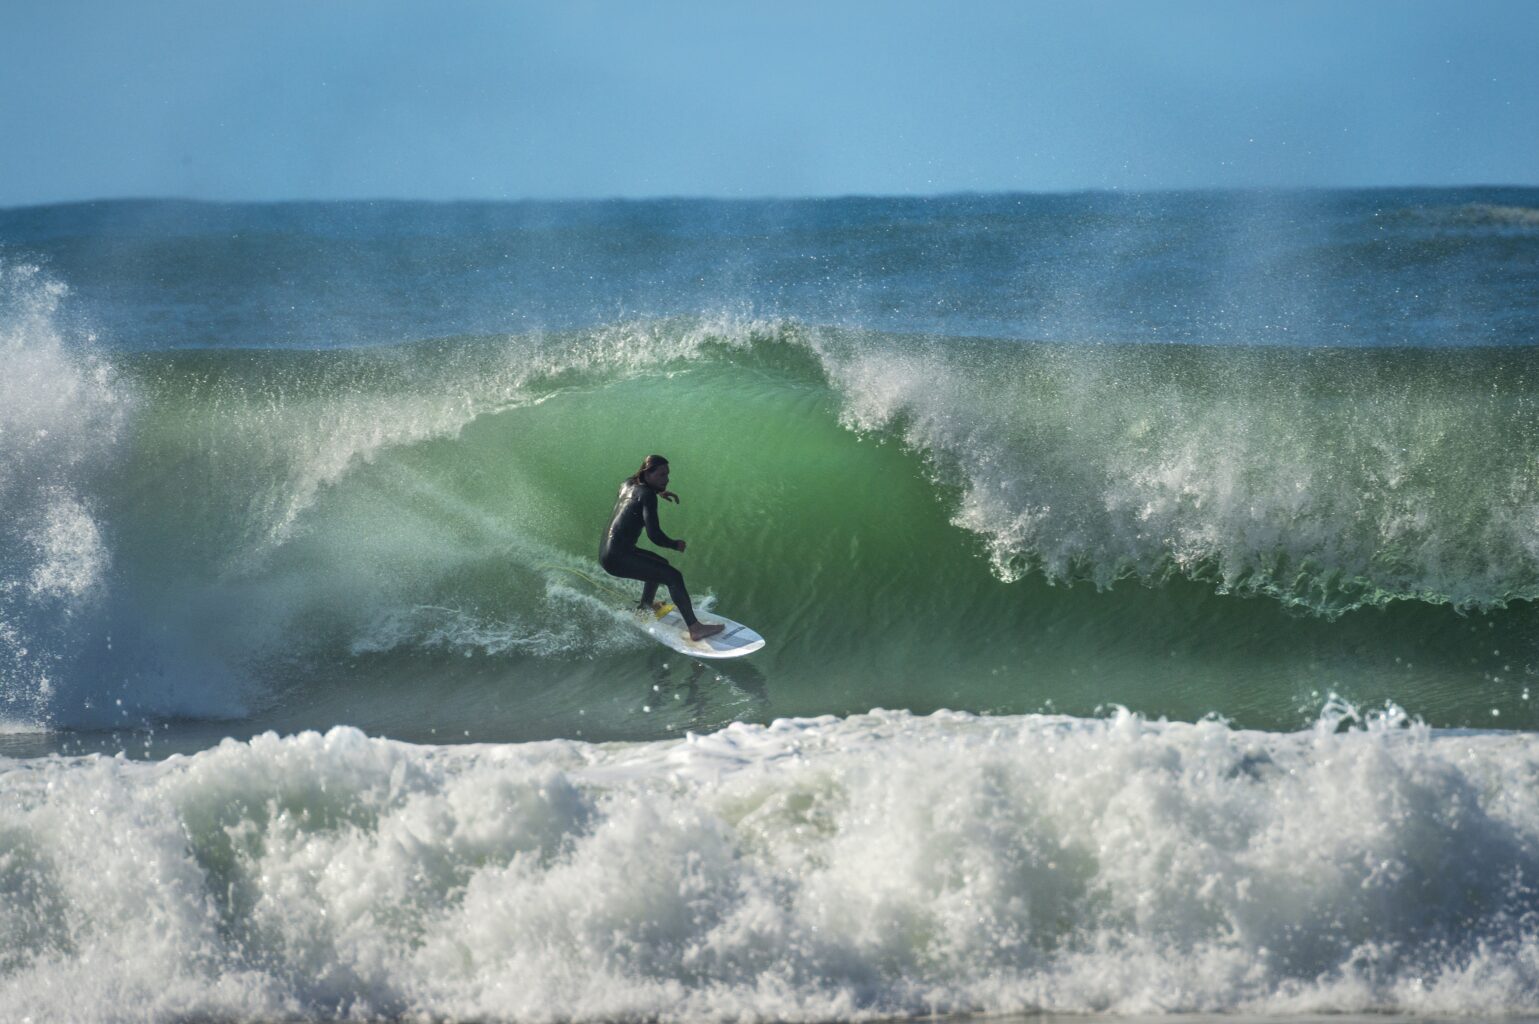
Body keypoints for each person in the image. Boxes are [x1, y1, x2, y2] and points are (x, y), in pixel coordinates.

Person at [600, 455, 724, 642]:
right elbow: (654, 535)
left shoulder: (627, 483)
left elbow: (637, 496)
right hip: (619, 557)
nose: (667, 479)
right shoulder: (648, 496)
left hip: (608, 552)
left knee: (661, 565)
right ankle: (695, 629)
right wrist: (675, 544)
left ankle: (646, 606)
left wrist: (658, 491)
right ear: (646, 474)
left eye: (667, 474)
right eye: (661, 475)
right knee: (673, 577)